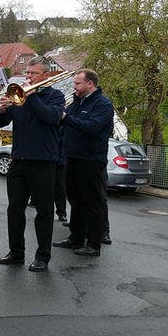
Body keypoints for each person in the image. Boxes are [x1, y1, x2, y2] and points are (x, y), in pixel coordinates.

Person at [0, 57, 65, 272]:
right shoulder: (19, 98)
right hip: (19, 160)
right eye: (27, 73)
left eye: (34, 74)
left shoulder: (55, 96)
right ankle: (16, 252)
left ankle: (42, 256)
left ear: (45, 75)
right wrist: (2, 110)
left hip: (43, 162)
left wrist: (31, 97)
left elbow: (52, 118)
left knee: (44, 211)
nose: (29, 77)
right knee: (14, 209)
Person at [53, 69, 114, 257]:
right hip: (72, 157)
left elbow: (92, 127)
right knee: (75, 200)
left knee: (92, 202)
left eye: (78, 83)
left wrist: (67, 118)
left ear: (90, 84)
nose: (74, 87)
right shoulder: (76, 102)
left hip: (91, 160)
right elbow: (63, 124)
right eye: (74, 83)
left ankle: (94, 244)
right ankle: (76, 238)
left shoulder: (103, 104)